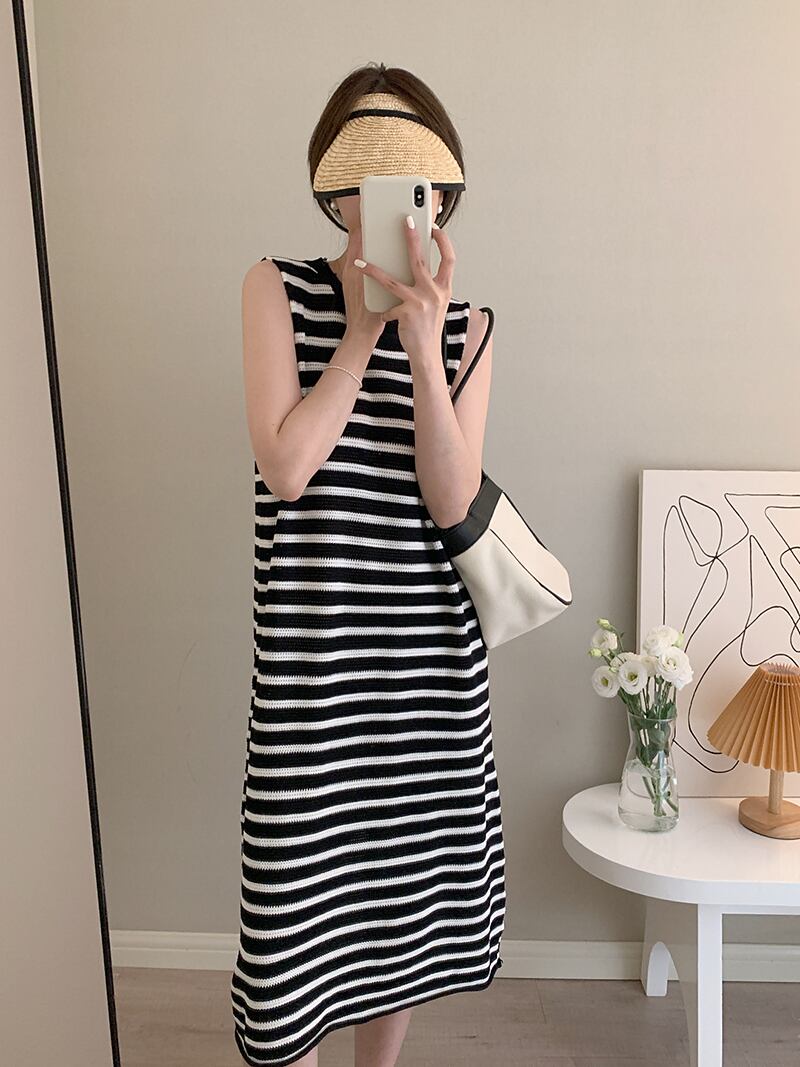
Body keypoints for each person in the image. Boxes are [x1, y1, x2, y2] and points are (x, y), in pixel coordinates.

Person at [231, 62, 505, 1067]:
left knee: (399, 920)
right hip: (316, 677)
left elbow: (452, 502)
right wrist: (357, 337)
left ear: (437, 196)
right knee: (292, 931)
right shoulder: (276, 288)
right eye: (361, 177)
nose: (380, 201)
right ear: (334, 190)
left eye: (406, 180)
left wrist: (424, 345)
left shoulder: (470, 328)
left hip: (427, 678)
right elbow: (287, 468)